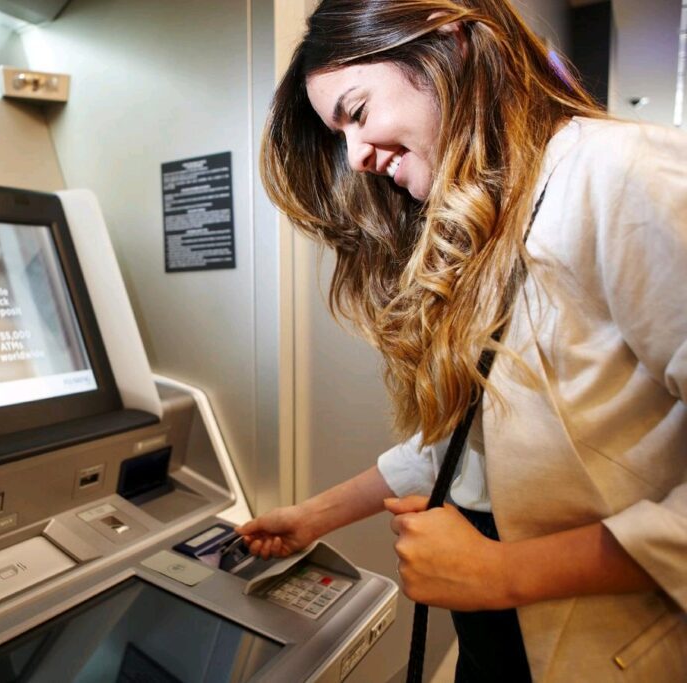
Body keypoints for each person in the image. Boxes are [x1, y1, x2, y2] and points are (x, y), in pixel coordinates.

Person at [235, 1, 687, 680]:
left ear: (449, 45)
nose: (355, 156)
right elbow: (473, 441)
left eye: (356, 112)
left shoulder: (622, 173)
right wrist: (312, 515)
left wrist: (503, 571)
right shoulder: (509, 213)